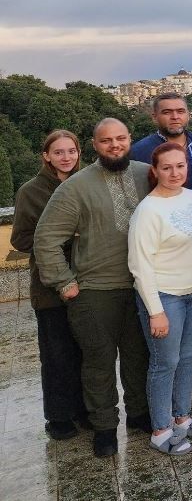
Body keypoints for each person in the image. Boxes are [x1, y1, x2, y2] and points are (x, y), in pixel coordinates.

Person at [34, 118, 152, 458]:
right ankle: (104, 427)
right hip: (95, 292)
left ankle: (139, 415)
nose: (114, 145)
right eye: (106, 141)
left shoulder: (147, 174)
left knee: (137, 357)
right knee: (98, 363)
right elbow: (46, 238)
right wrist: (64, 282)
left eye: (120, 138)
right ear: (95, 145)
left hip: (141, 288)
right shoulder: (75, 187)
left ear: (130, 139)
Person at [128, 143, 192, 456]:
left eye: (180, 166)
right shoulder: (148, 211)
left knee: (189, 356)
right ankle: (161, 428)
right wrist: (155, 311)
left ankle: (182, 417)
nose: (175, 173)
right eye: (167, 168)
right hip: (166, 296)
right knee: (165, 362)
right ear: (155, 171)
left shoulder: (191, 197)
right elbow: (140, 266)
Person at [11, 130, 86, 440]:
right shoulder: (31, 191)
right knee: (56, 356)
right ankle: (58, 418)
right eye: (59, 152)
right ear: (46, 156)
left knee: (85, 352)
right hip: (49, 287)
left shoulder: (87, 183)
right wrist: (62, 241)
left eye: (71, 151)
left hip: (87, 280)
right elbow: (20, 238)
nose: (66, 157)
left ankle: (85, 410)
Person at [130, 92, 192, 191]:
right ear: (154, 117)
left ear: (188, 115)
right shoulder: (139, 151)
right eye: (167, 112)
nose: (175, 117)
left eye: (180, 111)